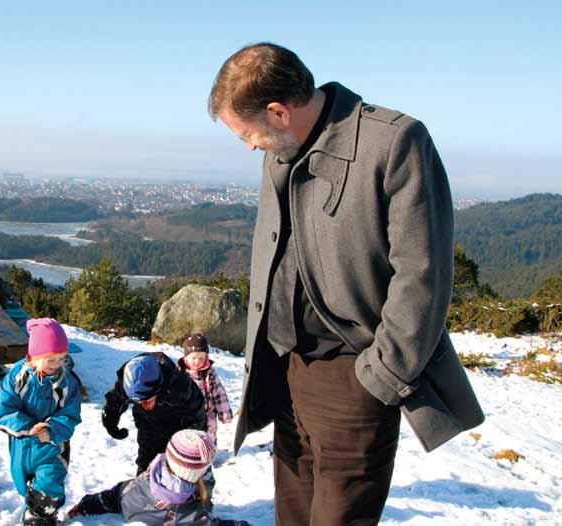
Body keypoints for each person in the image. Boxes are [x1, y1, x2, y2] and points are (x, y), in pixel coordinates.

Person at [208, 43, 485, 525]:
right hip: (287, 370)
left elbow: (423, 274)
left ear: (279, 111)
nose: (250, 146)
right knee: (292, 516)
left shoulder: (394, 142)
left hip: (356, 374)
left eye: (247, 133)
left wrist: (381, 376)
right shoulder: (282, 147)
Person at [0, 318, 82, 526]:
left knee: (49, 484)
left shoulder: (67, 384)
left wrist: (51, 429)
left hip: (53, 445)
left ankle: (43, 516)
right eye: (51, 359)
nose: (57, 364)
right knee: (25, 485)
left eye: (61, 358)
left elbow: (70, 415)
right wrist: (27, 427)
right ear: (34, 356)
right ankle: (34, 509)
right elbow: (3, 412)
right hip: (23, 444)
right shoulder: (17, 378)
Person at [66, 429, 249, 526]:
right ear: (195, 473)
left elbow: (113, 496)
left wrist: (84, 505)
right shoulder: (185, 514)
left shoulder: (140, 483)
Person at [102, 352, 207, 475]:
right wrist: (110, 423)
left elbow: (198, 414)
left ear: (159, 388)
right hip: (147, 422)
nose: (144, 405)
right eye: (138, 402)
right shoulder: (128, 382)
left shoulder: (179, 386)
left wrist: (190, 439)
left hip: (178, 422)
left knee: (178, 466)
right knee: (146, 461)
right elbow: (114, 401)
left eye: (147, 400)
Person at [177, 333, 233, 446]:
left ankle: (208, 456)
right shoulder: (179, 374)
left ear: (206, 357)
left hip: (208, 414)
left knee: (209, 436)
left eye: (201, 358)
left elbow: (219, 394)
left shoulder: (209, 374)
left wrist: (224, 413)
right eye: (193, 358)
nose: (197, 362)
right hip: (186, 415)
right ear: (186, 358)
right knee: (187, 439)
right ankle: (187, 457)